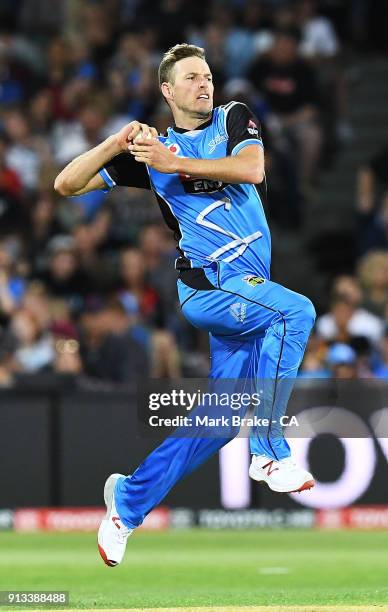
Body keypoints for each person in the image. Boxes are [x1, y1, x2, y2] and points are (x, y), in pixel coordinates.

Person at [55, 43, 316, 567]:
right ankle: (268, 452)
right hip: (208, 287)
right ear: (167, 91)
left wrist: (177, 161)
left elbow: (252, 170)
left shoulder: (232, 119)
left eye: (208, 75)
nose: (205, 84)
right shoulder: (150, 154)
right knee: (297, 312)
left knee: (216, 423)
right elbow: (66, 183)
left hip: (246, 289)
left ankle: (126, 504)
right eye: (192, 77)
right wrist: (115, 141)